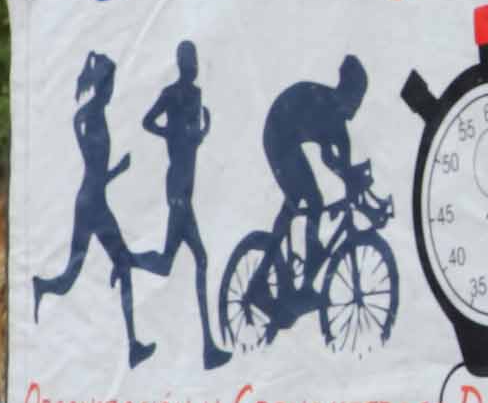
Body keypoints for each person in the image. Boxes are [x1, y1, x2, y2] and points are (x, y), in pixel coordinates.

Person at [30, 50, 158, 367]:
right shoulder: (90, 118)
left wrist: (117, 170)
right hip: (92, 203)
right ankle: (43, 285)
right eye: (110, 84)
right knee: (75, 273)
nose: (113, 90)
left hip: (93, 200)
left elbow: (95, 169)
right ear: (102, 86)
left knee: (108, 266)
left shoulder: (89, 116)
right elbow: (95, 169)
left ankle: (132, 345)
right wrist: (119, 170)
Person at [135, 40, 233, 370]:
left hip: (185, 184)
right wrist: (170, 135)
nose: (193, 65)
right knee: (197, 258)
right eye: (188, 60)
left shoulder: (196, 94)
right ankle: (208, 347)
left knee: (168, 262)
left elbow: (191, 136)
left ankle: (208, 348)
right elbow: (148, 121)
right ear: (180, 62)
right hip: (177, 184)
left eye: (194, 60)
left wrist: (200, 132)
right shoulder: (173, 93)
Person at [261, 55, 376, 299]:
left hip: (289, 138)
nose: (358, 105)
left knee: (307, 198)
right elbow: (335, 163)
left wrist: (369, 204)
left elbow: (342, 171)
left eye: (361, 99)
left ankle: (297, 278)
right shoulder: (323, 104)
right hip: (278, 132)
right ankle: (274, 272)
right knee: (309, 199)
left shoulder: (339, 127)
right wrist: (349, 177)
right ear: (344, 90)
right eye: (356, 97)